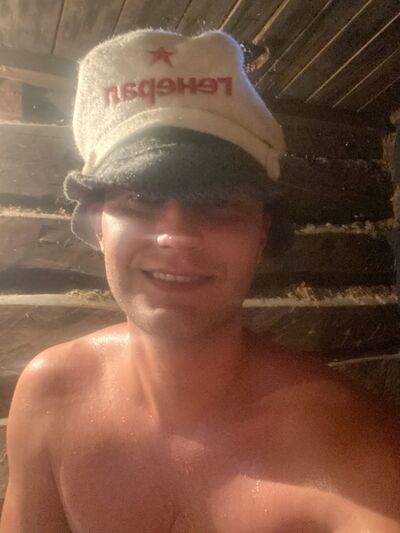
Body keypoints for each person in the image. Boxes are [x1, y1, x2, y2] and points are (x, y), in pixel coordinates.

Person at [1, 29, 399, 533]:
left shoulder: (351, 448)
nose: (176, 236)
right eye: (140, 199)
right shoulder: (51, 395)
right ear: (98, 224)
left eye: (218, 204)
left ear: (262, 233)